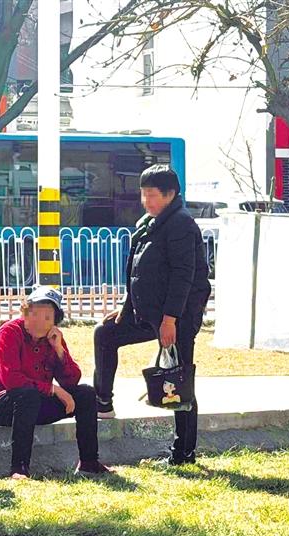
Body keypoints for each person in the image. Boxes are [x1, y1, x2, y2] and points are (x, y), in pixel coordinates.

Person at [93, 164, 211, 466]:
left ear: (170, 194)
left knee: (179, 379)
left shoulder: (181, 224)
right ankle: (102, 402)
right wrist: (126, 306)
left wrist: (170, 319)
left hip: (178, 316)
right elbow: (137, 270)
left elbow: (184, 275)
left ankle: (183, 452)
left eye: (152, 195)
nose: (146, 201)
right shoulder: (149, 223)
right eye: (143, 194)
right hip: (148, 311)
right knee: (105, 334)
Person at [0, 286, 112, 479]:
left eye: (47, 317)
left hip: (35, 403)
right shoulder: (8, 333)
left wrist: (59, 351)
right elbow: (12, 380)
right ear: (25, 313)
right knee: (28, 395)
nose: (39, 321)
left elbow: (72, 380)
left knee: (86, 393)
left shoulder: (53, 337)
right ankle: (19, 469)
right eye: (34, 314)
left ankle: (89, 463)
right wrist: (53, 389)